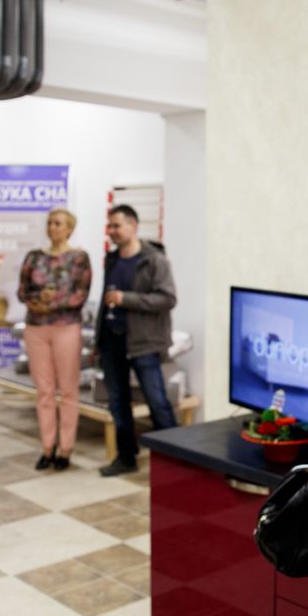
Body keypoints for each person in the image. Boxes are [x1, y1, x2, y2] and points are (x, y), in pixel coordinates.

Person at [95, 204, 178, 477]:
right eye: (110, 226)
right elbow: (104, 301)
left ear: (133, 226)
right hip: (112, 343)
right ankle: (126, 457)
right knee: (118, 403)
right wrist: (98, 340)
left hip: (144, 344)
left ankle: (176, 463)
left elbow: (167, 299)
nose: (112, 231)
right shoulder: (111, 259)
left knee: (158, 403)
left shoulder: (155, 260)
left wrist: (125, 299)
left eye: (117, 226)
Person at [17, 208, 92, 471]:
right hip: (36, 328)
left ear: (70, 228)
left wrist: (51, 302)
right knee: (44, 391)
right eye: (50, 222)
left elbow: (80, 294)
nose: (52, 227)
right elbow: (22, 291)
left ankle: (66, 448)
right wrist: (37, 301)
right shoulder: (34, 256)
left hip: (66, 328)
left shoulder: (79, 258)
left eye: (58, 223)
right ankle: (47, 446)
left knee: (68, 390)